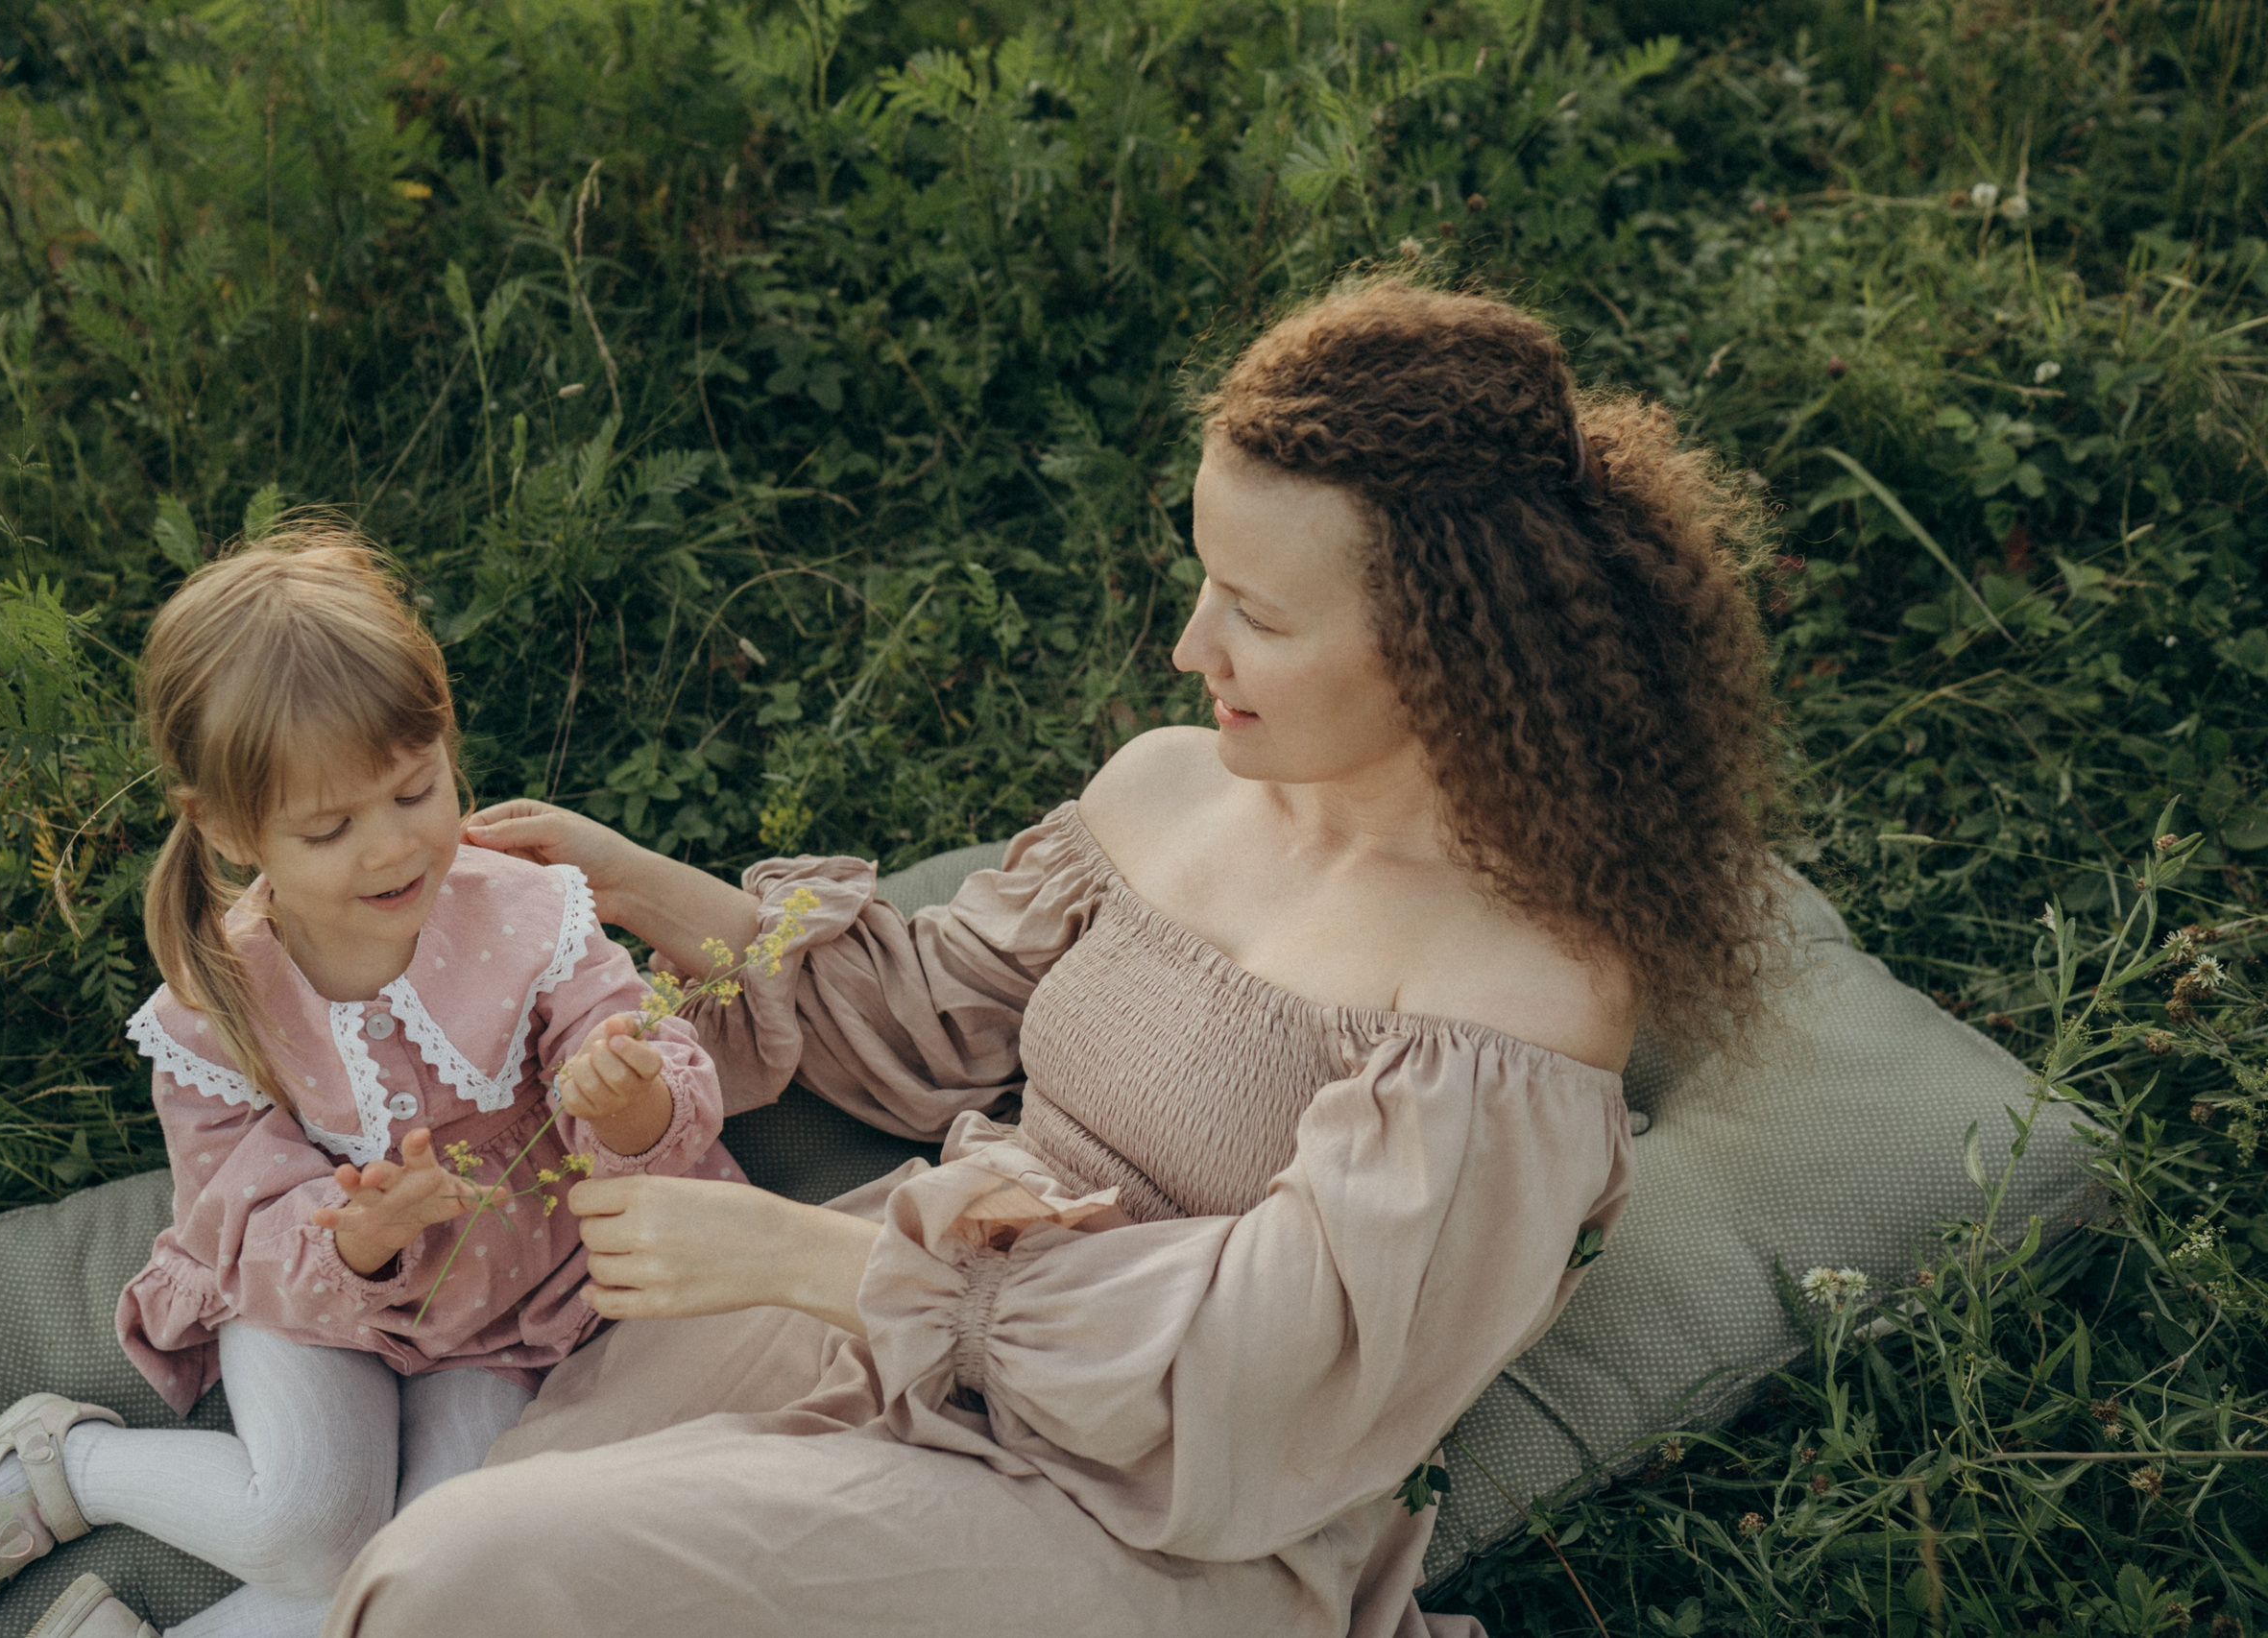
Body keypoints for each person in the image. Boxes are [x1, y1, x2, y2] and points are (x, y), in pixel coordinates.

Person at [326, 277, 1785, 1638]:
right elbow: (915, 1017)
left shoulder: (1517, 999)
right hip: (915, 1318)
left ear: (1449, 646)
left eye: (1259, 615)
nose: (1188, 646)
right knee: (470, 1540)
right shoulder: (1170, 787)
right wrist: (628, 876)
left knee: (456, 1576)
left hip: (1157, 1509)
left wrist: (825, 1259)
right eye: (1204, 577)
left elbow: (1263, 1388)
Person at [0, 533, 740, 1638]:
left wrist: (627, 1104)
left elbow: (635, 1050)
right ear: (234, 830)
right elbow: (234, 1205)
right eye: (330, 828)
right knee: (304, 1524)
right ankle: (74, 1461)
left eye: (414, 789)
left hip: (505, 1315)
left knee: (435, 1567)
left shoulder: (531, 916)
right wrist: (358, 1234)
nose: (391, 848)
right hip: (313, 1300)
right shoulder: (220, 999)